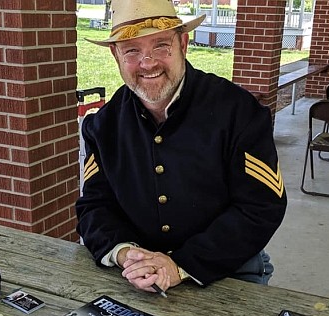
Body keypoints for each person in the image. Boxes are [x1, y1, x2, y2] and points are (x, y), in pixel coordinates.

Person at [75, 0, 287, 296]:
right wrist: (126, 253)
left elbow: (261, 207)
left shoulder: (239, 112)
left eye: (161, 45)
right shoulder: (104, 124)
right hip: (139, 277)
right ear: (116, 55)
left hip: (229, 272)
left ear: (183, 43)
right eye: (132, 50)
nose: (147, 62)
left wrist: (180, 265)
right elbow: (95, 206)